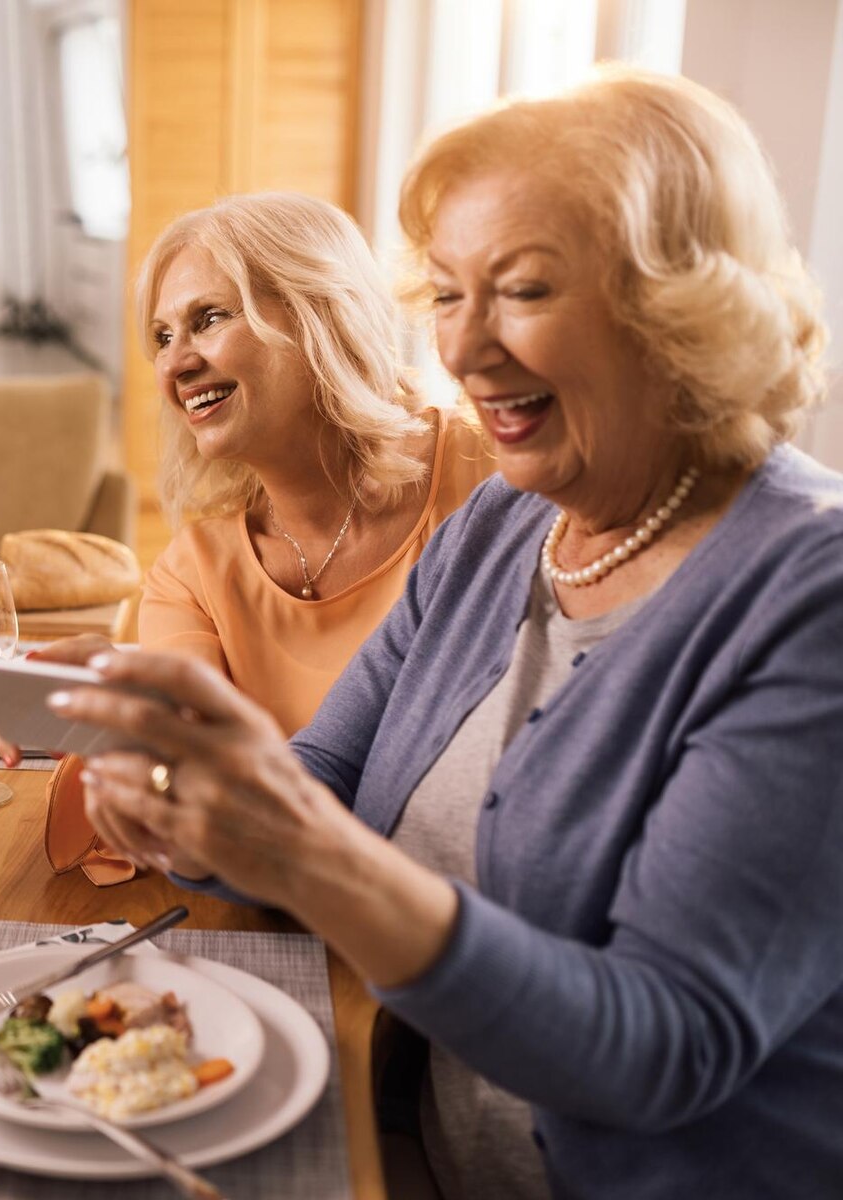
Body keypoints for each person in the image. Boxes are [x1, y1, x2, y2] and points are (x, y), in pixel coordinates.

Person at [59, 69, 842, 1199]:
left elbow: (662, 1046)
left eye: (520, 291)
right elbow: (324, 776)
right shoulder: (504, 522)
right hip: (406, 1142)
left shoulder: (806, 594)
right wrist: (195, 816)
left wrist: (296, 847)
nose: (464, 349)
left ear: (676, 301)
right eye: (446, 294)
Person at [29, 193, 492, 884]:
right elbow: (202, 807)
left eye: (207, 319)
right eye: (161, 337)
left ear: (319, 316)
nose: (174, 365)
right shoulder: (194, 574)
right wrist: (135, 725)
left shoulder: (487, 477)